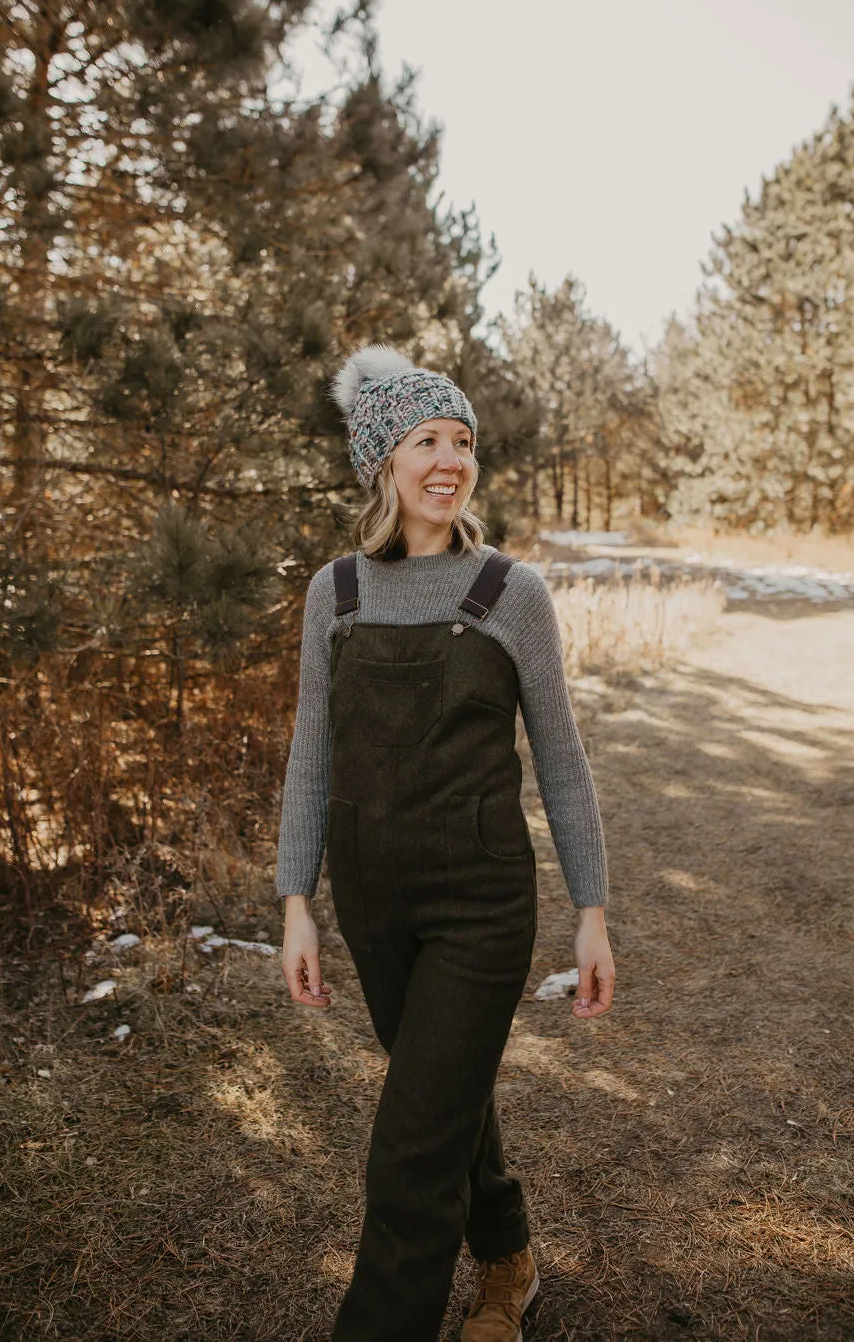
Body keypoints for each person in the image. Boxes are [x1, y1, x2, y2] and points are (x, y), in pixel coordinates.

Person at [277, 343, 615, 1342]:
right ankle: (508, 1260)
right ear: (383, 460)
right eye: (424, 439)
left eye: (461, 441)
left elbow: (560, 762)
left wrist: (591, 914)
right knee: (447, 1096)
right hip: (373, 908)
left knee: (409, 1155)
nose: (447, 459)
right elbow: (311, 758)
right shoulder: (332, 595)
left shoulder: (510, 593)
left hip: (481, 907)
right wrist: (295, 901)